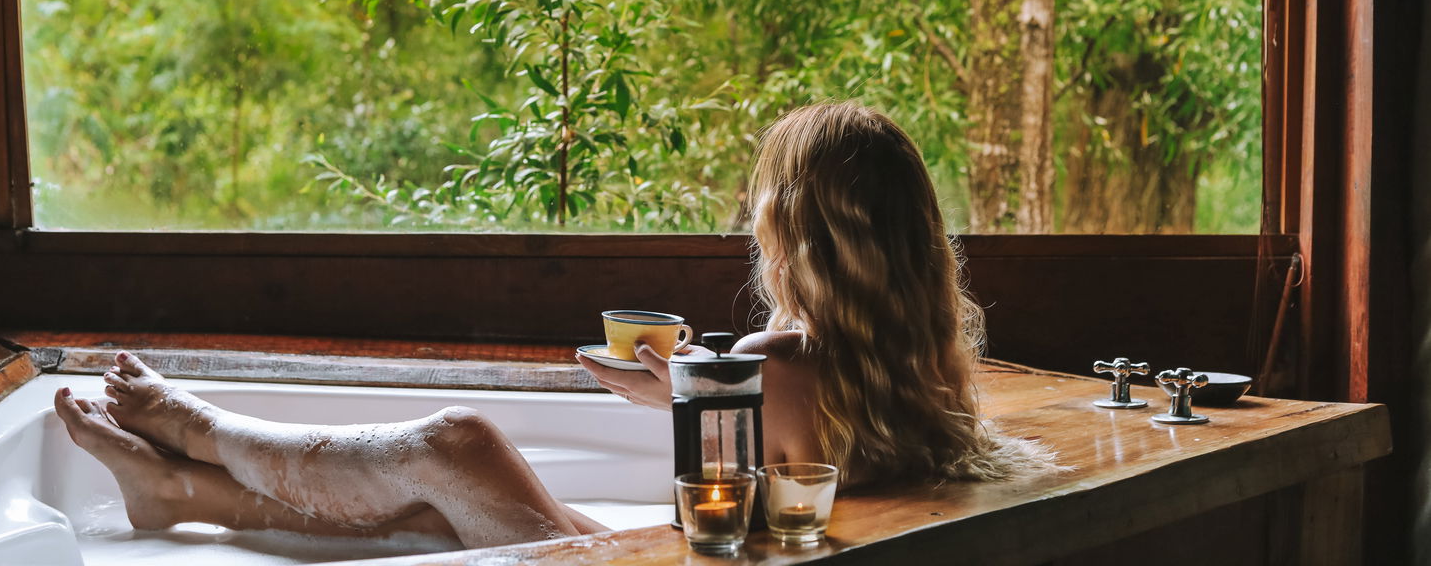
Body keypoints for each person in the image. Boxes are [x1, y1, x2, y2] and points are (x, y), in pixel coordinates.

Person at [54, 101, 1046, 550]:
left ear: (800, 235)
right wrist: (685, 395)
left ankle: (198, 430)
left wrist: (704, 388)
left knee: (457, 442)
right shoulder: (922, 360)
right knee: (440, 514)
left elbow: (713, 517)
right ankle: (182, 495)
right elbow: (778, 468)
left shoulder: (767, 360)